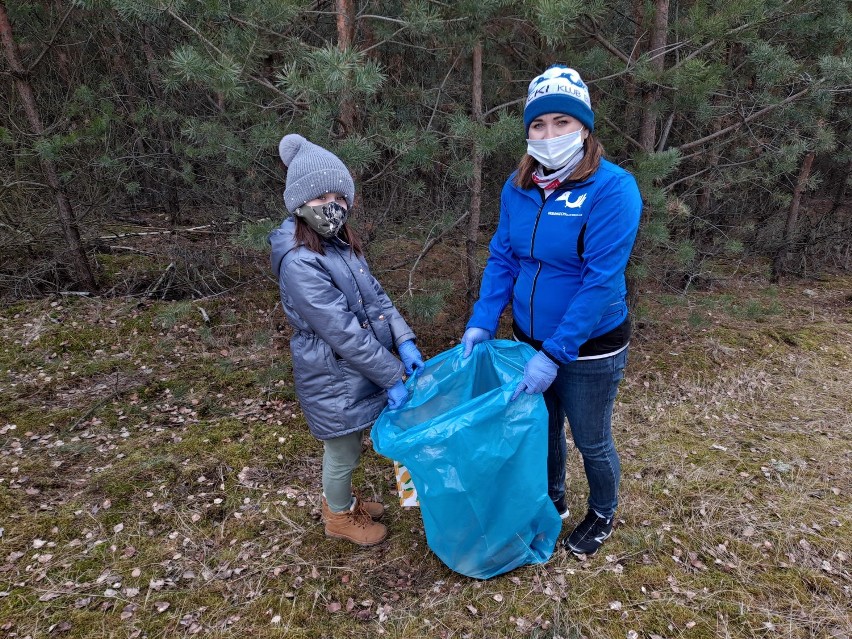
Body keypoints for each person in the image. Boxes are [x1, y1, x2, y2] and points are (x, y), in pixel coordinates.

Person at [461, 65, 642, 556]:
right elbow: (503, 256)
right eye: (538, 125)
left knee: (591, 438)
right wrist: (483, 319)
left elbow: (601, 281)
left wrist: (557, 352)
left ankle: (602, 512)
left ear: (583, 127)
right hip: (528, 336)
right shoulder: (518, 185)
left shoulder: (613, 189)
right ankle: (552, 498)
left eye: (562, 122)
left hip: (589, 347)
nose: (549, 134)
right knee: (542, 428)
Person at [269, 134, 424, 547]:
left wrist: (404, 339)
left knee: (352, 440)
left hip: (355, 368)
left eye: (338, 194)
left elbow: (378, 299)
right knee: (342, 450)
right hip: (332, 372)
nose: (331, 204)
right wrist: (391, 376)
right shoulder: (300, 260)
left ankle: (345, 501)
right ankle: (337, 515)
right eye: (320, 197)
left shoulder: (341, 246)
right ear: (299, 203)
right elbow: (342, 331)